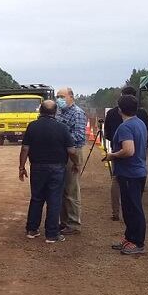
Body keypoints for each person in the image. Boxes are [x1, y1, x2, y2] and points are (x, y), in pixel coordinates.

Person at [19, 100, 80, 243]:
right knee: (54, 200)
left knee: (36, 198)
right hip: (57, 168)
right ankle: (52, 234)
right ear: (55, 112)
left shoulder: (32, 127)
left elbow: (25, 149)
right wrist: (76, 163)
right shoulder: (62, 128)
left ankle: (32, 229)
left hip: (37, 167)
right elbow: (71, 150)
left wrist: (21, 167)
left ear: (40, 111)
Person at [102, 94, 148, 255]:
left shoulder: (125, 127)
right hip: (137, 171)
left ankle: (137, 242)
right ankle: (130, 238)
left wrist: (112, 155)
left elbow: (128, 150)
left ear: (120, 109)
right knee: (129, 208)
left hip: (130, 173)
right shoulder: (140, 123)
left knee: (133, 208)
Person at [102, 86, 148, 220]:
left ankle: (115, 212)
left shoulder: (113, 114)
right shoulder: (141, 116)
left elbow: (107, 134)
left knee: (116, 180)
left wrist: (115, 148)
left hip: (121, 153)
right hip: (140, 155)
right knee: (134, 194)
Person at [55, 87, 87, 234]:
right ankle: (64, 221)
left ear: (71, 97)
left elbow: (80, 137)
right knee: (61, 189)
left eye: (62, 96)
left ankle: (74, 223)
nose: (59, 99)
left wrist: (61, 137)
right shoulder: (59, 112)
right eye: (57, 97)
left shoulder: (78, 113)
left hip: (73, 152)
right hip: (61, 152)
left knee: (71, 189)